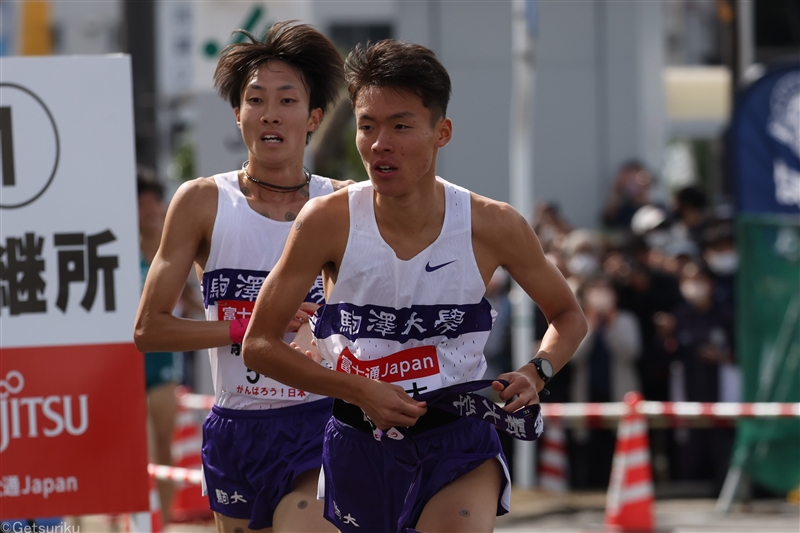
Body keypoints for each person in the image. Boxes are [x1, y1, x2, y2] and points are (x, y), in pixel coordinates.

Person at [241, 39, 587, 533]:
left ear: (440, 132)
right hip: (357, 441)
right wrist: (360, 391)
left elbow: (569, 315)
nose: (381, 143)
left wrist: (537, 371)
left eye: (401, 126)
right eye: (367, 126)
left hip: (457, 441)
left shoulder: (492, 224)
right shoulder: (326, 221)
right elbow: (258, 345)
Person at [133, 21, 349, 533]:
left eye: (288, 100)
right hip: (237, 424)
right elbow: (149, 330)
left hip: (320, 419)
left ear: (314, 116)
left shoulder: (342, 203)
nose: (270, 113)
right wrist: (248, 329)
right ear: (238, 115)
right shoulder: (203, 200)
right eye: (256, 99)